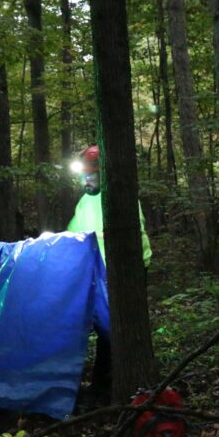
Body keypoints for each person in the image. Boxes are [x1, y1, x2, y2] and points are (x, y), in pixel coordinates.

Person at [66, 144, 152, 407]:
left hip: (128, 272)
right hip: (99, 275)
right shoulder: (84, 203)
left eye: (92, 175)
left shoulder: (121, 198)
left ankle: (105, 389)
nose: (87, 180)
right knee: (103, 328)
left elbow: (132, 237)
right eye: (84, 176)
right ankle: (103, 385)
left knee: (110, 330)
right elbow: (73, 236)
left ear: (104, 174)